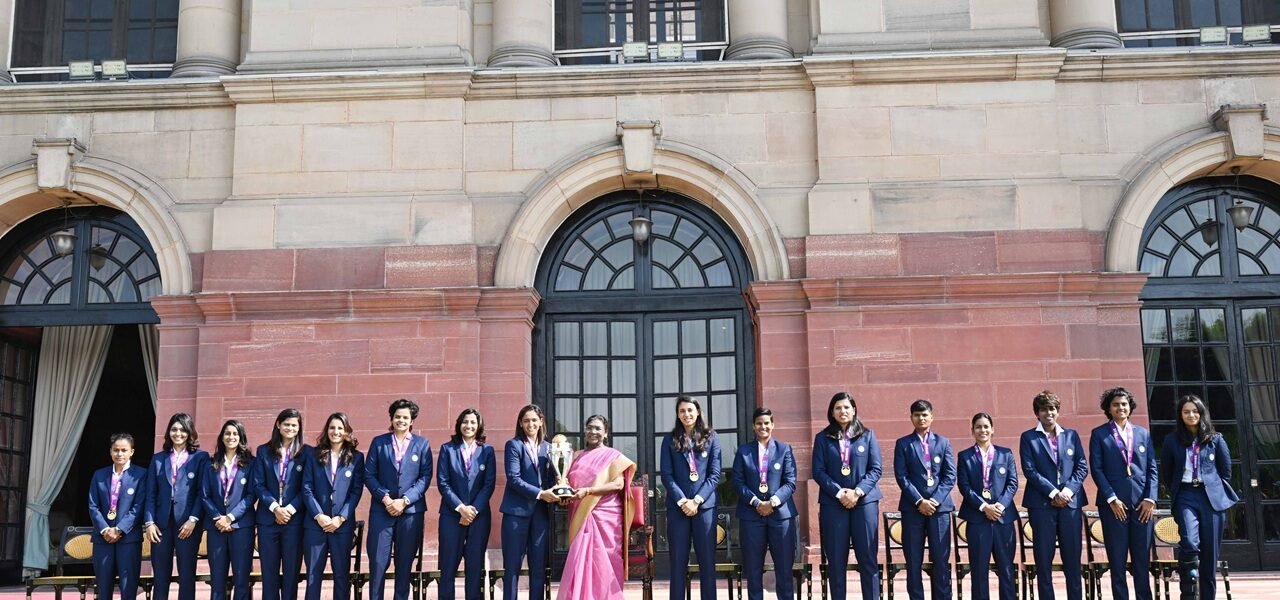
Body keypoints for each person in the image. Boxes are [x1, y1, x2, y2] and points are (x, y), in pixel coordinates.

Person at [1160, 394, 1239, 600]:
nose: (1191, 415)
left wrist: (1212, 485)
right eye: (1186, 412)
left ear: (1201, 413)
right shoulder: (1172, 440)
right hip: (1186, 494)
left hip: (1210, 498)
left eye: (1195, 411)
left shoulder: (1215, 439)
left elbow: (1225, 472)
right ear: (1180, 415)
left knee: (1209, 557)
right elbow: (1166, 473)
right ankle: (1188, 589)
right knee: (1189, 542)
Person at [556, 415, 638, 600]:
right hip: (579, 513)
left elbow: (618, 485)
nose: (593, 432)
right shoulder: (575, 456)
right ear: (585, 431)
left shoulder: (613, 456)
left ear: (605, 433)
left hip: (605, 516)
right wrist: (564, 494)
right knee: (580, 561)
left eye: (598, 428)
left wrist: (589, 491)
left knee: (605, 561)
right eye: (590, 428)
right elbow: (566, 482)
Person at [1018, 390, 1088, 600]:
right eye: (1044, 409)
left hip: (1070, 504)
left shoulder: (1071, 435)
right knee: (1043, 558)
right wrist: (1053, 493)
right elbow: (1030, 470)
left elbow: (1081, 467)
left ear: (1058, 411)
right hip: (1041, 505)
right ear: (1037, 413)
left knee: (1073, 558)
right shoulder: (1029, 437)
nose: (1049, 413)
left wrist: (1066, 491)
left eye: (1052, 409)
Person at [1089, 388, 1157, 600]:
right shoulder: (1099, 434)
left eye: (1124, 404)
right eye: (1116, 404)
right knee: (1117, 561)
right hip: (1113, 506)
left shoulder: (1143, 433)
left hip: (1141, 506)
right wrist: (1111, 498)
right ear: (1108, 408)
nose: (1121, 408)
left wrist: (1150, 498)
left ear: (1130, 407)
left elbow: (1151, 468)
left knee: (1141, 561)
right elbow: (1097, 469)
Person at [365, 399, 433, 600]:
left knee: (404, 564)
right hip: (381, 511)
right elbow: (369, 474)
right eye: (397, 417)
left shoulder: (422, 444)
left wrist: (404, 501)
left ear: (412, 420)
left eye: (405, 417)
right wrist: (386, 499)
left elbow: (425, 477)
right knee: (378, 563)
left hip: (410, 513)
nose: (401, 420)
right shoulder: (379, 442)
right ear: (391, 418)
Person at [732, 407, 798, 600]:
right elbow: (737, 481)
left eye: (767, 423)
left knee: (784, 570)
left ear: (773, 425)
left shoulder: (784, 449)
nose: (763, 427)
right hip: (751, 516)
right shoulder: (744, 451)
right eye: (759, 423)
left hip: (781, 516)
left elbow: (791, 481)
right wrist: (756, 502)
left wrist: (773, 502)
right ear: (753, 426)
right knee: (753, 571)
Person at [660, 395, 721, 600]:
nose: (686, 414)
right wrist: (683, 501)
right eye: (682, 411)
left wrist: (696, 501)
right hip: (678, 509)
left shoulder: (711, 437)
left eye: (690, 410)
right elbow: (666, 475)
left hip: (704, 509)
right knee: (678, 562)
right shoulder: (669, 440)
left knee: (707, 562)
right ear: (677, 414)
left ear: (697, 412)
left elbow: (714, 475)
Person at [893, 399, 955, 600]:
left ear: (932, 417)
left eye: (925, 414)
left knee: (941, 559)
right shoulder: (903, 443)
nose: (921, 418)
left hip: (940, 510)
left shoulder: (943, 442)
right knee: (913, 560)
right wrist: (920, 501)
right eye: (917, 415)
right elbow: (901, 476)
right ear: (911, 418)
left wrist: (934, 501)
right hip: (913, 509)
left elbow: (949, 476)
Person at [144, 413, 209, 600]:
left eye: (182, 429)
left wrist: (193, 519)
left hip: (187, 524)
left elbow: (201, 492)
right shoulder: (158, 459)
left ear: (190, 433)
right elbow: (151, 493)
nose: (178, 433)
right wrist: (149, 522)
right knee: (161, 575)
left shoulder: (200, 457)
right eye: (174, 429)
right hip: (160, 525)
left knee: (186, 574)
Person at [303, 413, 364, 600]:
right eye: (332, 428)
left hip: (342, 525)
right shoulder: (313, 455)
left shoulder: (356, 457)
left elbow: (356, 492)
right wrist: (319, 516)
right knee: (313, 575)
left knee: (341, 575)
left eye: (340, 428)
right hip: (315, 525)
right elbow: (306, 487)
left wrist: (341, 517)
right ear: (326, 430)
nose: (335, 432)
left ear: (346, 431)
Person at [956, 413, 1018, 600]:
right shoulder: (965, 456)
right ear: (972, 431)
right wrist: (984, 507)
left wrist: (999, 506)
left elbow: (1012, 483)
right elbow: (964, 486)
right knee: (979, 569)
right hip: (977, 519)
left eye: (986, 426)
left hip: (1003, 518)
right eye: (978, 427)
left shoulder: (1005, 454)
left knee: (1006, 568)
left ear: (993, 429)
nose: (982, 430)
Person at [436, 409, 496, 600]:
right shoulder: (447, 449)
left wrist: (473, 510)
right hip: (451, 516)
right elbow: (443, 482)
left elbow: (489, 484)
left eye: (472, 422)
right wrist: (461, 508)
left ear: (479, 426)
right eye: (465, 422)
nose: (468, 426)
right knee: (447, 567)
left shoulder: (487, 451)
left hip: (479, 518)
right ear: (458, 424)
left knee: (475, 567)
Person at [498, 404, 557, 600]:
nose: (530, 424)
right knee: (512, 566)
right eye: (526, 421)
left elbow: (552, 479)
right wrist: (541, 494)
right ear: (520, 424)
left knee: (538, 566)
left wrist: (559, 489)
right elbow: (513, 479)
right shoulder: (514, 445)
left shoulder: (549, 449)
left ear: (541, 422)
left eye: (534, 420)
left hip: (540, 514)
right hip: (516, 514)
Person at [253, 408, 308, 600]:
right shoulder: (263, 451)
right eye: (287, 424)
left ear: (299, 427)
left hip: (294, 521)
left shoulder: (306, 453)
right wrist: (275, 508)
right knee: (269, 573)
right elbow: (258, 484)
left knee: (291, 573)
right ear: (278, 424)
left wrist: (289, 509)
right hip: (268, 520)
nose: (290, 428)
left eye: (294, 425)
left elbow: (307, 487)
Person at [89, 432, 147, 600]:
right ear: (110, 452)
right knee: (103, 588)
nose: (119, 454)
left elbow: (139, 506)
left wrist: (120, 529)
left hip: (128, 538)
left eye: (124, 450)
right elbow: (93, 506)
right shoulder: (99, 475)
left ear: (132, 452)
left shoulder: (141, 475)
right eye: (116, 450)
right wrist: (105, 529)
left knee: (128, 587)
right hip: (103, 539)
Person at [202, 420, 256, 600]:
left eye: (235, 434)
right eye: (227, 433)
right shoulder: (210, 464)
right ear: (222, 437)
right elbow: (204, 495)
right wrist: (219, 517)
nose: (231, 437)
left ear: (241, 438)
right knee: (217, 579)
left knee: (241, 579)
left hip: (241, 526)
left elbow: (251, 495)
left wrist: (231, 517)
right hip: (216, 527)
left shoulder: (251, 464)